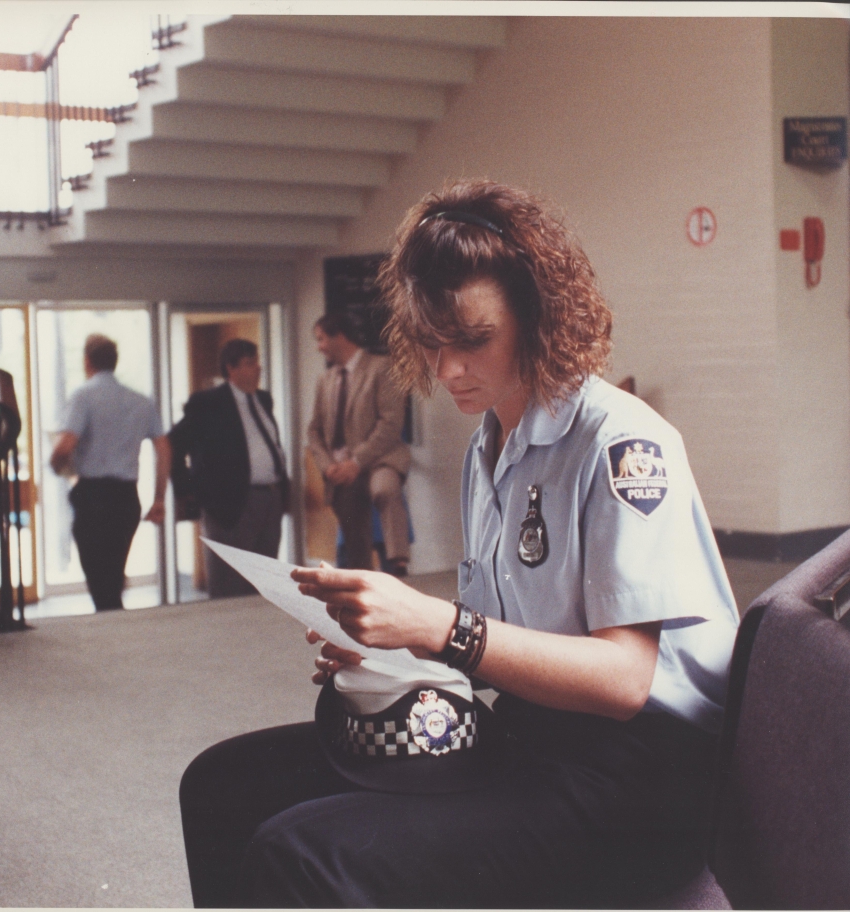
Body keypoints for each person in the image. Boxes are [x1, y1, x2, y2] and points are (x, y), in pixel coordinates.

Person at [178, 180, 740, 908]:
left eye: (473, 340)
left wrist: (437, 627)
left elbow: (625, 680)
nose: (446, 371)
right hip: (532, 734)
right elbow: (500, 643)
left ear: (539, 318)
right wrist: (396, 644)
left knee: (303, 856)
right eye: (429, 343)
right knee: (221, 786)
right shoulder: (491, 446)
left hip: (643, 786)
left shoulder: (621, 442)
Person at [49, 334, 170, 611]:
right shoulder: (141, 401)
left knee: (98, 577)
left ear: (87, 362)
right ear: (114, 362)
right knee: (114, 572)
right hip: (126, 496)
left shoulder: (83, 396)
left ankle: (112, 628)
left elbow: (65, 445)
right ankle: (115, 624)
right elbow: (164, 449)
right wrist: (159, 497)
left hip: (93, 496)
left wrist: (57, 465)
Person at [170, 338, 289, 598]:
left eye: (257, 362)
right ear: (230, 369)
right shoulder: (208, 403)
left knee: (264, 580)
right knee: (229, 583)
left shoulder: (263, 399)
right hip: (230, 504)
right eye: (249, 363)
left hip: (269, 499)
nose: (257, 368)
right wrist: (189, 490)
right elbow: (174, 444)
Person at [306, 313, 412, 575]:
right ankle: (359, 576)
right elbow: (314, 431)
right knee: (352, 530)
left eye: (320, 339)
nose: (318, 346)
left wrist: (356, 462)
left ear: (338, 336)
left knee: (384, 490)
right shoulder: (325, 380)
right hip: (341, 469)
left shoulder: (381, 367)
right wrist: (327, 465)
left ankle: (398, 561)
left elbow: (390, 423)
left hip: (380, 459)